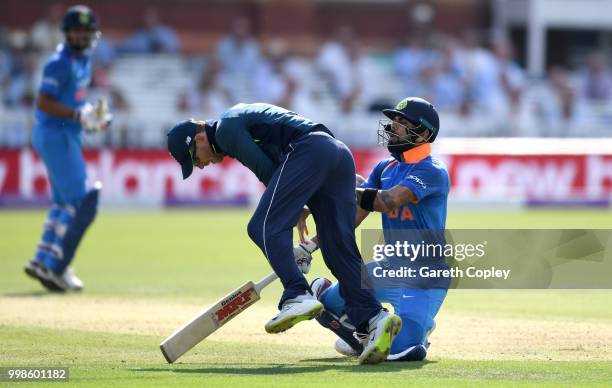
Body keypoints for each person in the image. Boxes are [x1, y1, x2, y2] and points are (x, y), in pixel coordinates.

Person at [166, 102, 402, 364]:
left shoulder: (225, 129)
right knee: (339, 248)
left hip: (310, 152)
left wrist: (293, 220)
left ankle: (296, 293)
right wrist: (296, 225)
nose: (200, 166)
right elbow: (281, 170)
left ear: (199, 137)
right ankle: (374, 318)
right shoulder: (236, 121)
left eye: (195, 158)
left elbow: (267, 172)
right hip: (337, 154)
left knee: (261, 226)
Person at [294, 97, 450, 361]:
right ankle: (362, 328)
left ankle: (417, 326)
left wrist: (328, 194)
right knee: (326, 306)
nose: (393, 127)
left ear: (423, 133)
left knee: (404, 352)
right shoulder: (385, 167)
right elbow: (353, 216)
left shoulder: (432, 171)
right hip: (388, 267)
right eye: (394, 121)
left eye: (402, 122)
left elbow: (385, 201)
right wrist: (311, 245)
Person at [24, 5, 112, 292]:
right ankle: (55, 266)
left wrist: (89, 116)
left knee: (63, 203)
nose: (82, 35)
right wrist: (77, 116)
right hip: (55, 134)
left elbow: (71, 103)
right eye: (77, 30)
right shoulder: (60, 61)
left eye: (87, 31)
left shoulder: (83, 60)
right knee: (79, 202)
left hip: (65, 134)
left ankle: (42, 260)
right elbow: (44, 102)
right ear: (67, 33)